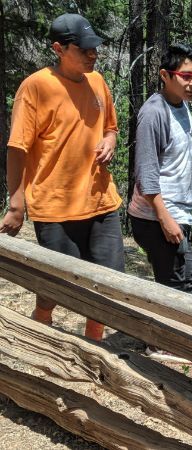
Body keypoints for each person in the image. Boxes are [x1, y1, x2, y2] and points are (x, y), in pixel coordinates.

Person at [0, 13, 125, 342]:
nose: (92, 55)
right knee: (58, 286)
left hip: (101, 202)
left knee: (107, 286)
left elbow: (111, 126)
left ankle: (94, 353)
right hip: (55, 207)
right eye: (84, 50)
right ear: (59, 48)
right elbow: (17, 148)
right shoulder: (36, 87)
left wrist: (109, 140)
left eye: (95, 48)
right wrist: (16, 204)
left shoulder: (97, 82)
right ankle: (39, 332)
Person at [128, 43, 192, 362]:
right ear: (166, 75)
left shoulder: (181, 104)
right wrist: (164, 218)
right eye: (186, 76)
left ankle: (167, 340)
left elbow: (174, 147)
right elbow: (146, 172)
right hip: (156, 216)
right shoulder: (154, 112)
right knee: (180, 276)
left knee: (177, 276)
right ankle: (162, 344)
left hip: (177, 212)